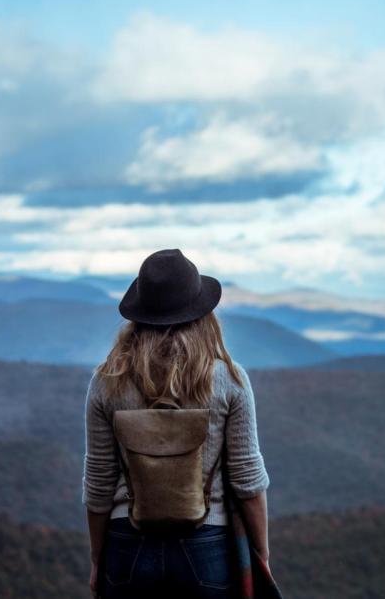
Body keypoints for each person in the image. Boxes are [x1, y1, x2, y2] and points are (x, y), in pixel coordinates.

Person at [83, 248, 271, 598]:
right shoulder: (229, 380)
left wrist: (98, 557)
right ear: (202, 314)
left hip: (127, 545)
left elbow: (98, 484)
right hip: (206, 544)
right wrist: (261, 554)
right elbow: (248, 481)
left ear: (138, 315)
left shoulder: (107, 381)